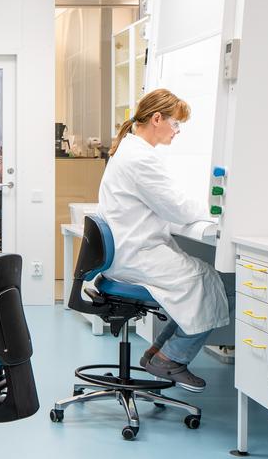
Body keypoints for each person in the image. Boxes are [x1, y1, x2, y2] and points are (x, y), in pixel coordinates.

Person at [96, 88, 229, 392]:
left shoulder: (131, 151)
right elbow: (177, 208)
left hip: (129, 251)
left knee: (204, 280)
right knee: (211, 280)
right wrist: (212, 210)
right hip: (137, 255)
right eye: (176, 124)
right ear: (157, 118)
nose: (177, 132)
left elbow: (165, 202)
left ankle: (159, 352)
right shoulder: (140, 158)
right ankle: (171, 357)